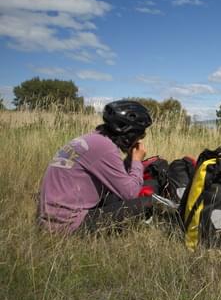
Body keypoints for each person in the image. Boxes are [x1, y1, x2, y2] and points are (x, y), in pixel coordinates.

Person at [38, 100, 153, 234]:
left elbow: (118, 182)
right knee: (149, 203)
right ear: (129, 132)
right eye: (141, 134)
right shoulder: (105, 148)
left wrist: (130, 159)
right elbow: (130, 193)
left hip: (51, 219)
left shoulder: (94, 139)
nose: (141, 139)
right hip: (67, 224)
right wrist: (137, 161)